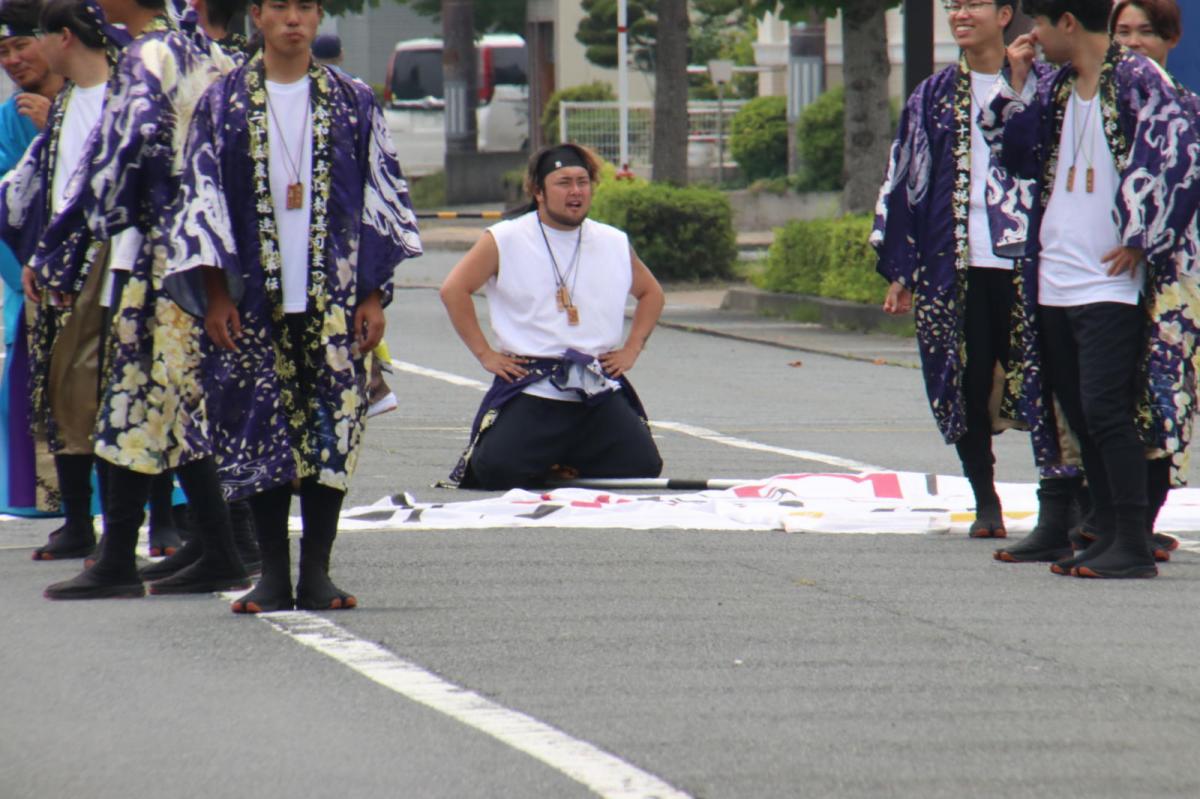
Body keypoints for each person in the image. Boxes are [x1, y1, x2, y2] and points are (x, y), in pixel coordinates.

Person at [165, 0, 421, 613]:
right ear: (257, 14)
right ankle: (273, 574)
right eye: (278, 5)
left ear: (319, 14)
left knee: (331, 431)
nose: (292, 18)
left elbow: (378, 196)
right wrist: (217, 293)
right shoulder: (222, 101)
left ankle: (317, 573)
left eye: (305, 6)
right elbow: (200, 201)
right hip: (253, 300)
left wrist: (370, 293)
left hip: (332, 297)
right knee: (260, 427)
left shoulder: (353, 99)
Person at [26, 0, 249, 599]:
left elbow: (118, 157)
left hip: (157, 252)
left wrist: (59, 249)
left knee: (138, 397)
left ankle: (125, 558)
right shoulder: (207, 51)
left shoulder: (147, 55)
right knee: (166, 402)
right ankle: (212, 547)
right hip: (201, 253)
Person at [982, 0, 1200, 578]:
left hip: (1110, 278)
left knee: (1107, 409)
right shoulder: (1054, 85)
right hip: (1055, 272)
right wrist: (1019, 84)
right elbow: (1015, 155)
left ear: (1068, 23)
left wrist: (1143, 234)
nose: (1033, 37)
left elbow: (1181, 147)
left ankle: (1131, 540)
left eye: (1040, 26)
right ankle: (1103, 531)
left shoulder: (1134, 76)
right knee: (1077, 411)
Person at [871, 0, 1083, 553]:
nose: (960, 14)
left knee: (1048, 378)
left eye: (973, 4)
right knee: (964, 380)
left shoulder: (1049, 82)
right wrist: (902, 264)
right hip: (954, 259)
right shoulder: (933, 94)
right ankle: (984, 496)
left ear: (1005, 13)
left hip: (1036, 260)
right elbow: (906, 172)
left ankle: (1063, 500)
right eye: (953, 6)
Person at [440, 143, 664, 490]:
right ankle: (552, 458)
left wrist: (632, 349)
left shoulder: (612, 241)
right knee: (496, 471)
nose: (575, 192)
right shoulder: (506, 238)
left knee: (642, 467)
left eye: (582, 182)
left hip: (595, 383)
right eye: (563, 182)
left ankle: (562, 459)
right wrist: (486, 354)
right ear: (538, 191)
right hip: (535, 382)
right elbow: (454, 290)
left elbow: (652, 294)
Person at [1103, 0, 1192, 560]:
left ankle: (1143, 520)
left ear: (1170, 40)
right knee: (1108, 393)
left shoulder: (1185, 109)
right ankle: (1104, 516)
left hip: (1174, 277)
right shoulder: (1088, 104)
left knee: (1166, 396)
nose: (1133, 44)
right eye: (1122, 32)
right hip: (1104, 273)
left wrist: (1146, 235)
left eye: (1146, 33)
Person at [0, 0, 64, 520]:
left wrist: (54, 130)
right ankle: (62, 510)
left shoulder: (88, 99)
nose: (14, 60)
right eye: (3, 52)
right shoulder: (6, 118)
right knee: (30, 401)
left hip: (96, 274)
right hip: (33, 283)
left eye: (22, 45)